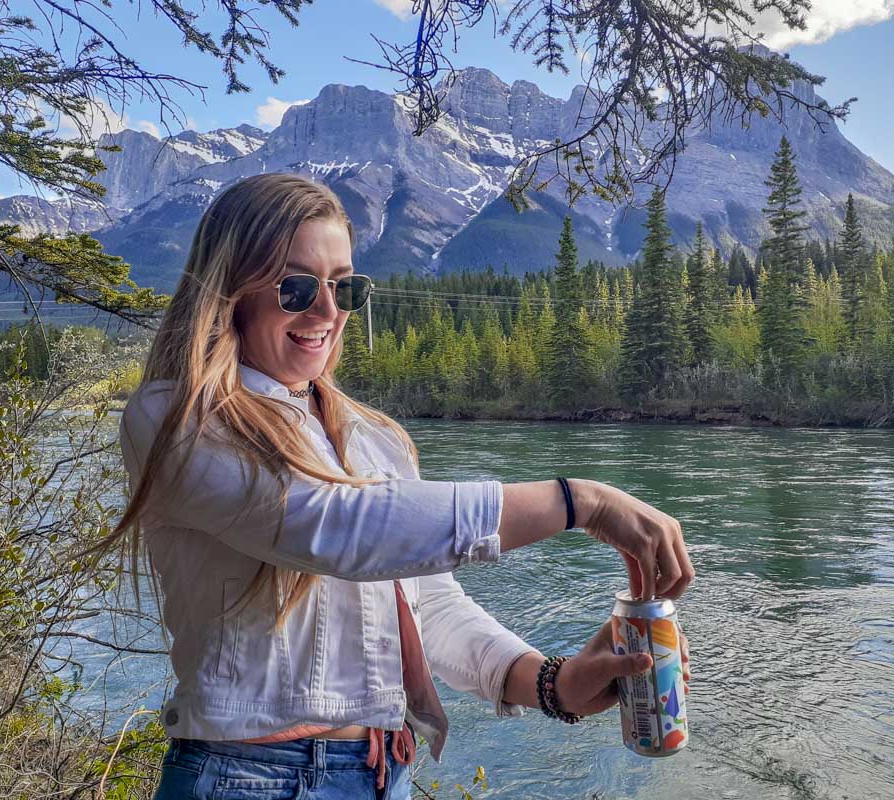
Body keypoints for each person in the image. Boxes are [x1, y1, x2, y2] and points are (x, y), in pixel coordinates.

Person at [108, 173, 695, 799]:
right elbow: (339, 528)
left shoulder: (371, 437)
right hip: (247, 780)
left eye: (344, 287)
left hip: (386, 770)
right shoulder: (174, 418)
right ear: (231, 290)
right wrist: (581, 502)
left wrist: (553, 681)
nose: (328, 312)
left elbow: (428, 605)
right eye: (297, 286)